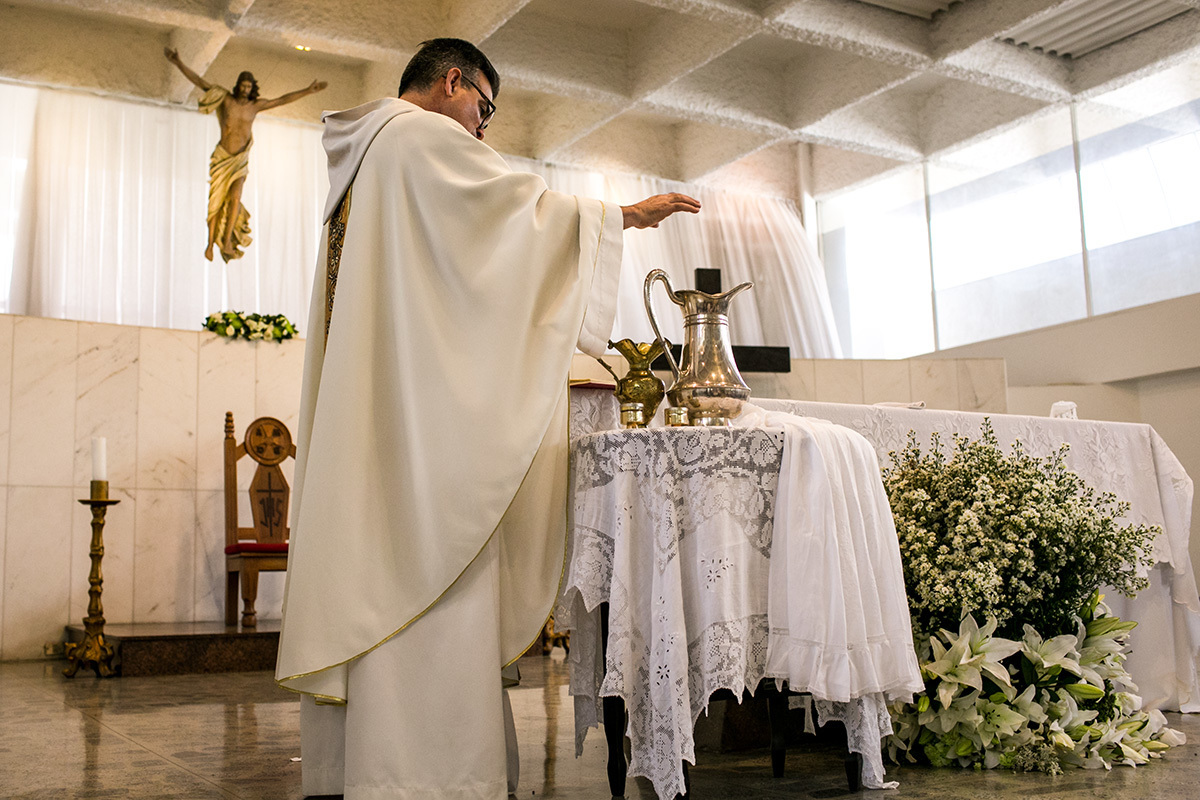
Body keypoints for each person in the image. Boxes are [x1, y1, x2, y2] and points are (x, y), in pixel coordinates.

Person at [273, 37, 699, 800]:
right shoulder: (416, 135)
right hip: (421, 436)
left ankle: (362, 766)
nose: (481, 129)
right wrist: (625, 217)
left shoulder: (362, 156)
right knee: (434, 556)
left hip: (377, 416)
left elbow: (447, 281)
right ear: (453, 81)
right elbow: (514, 216)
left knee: (375, 562)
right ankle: (430, 774)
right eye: (484, 108)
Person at [164, 48, 328, 262]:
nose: (245, 88)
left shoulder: (255, 106)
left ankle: (228, 241)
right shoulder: (226, 100)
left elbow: (281, 100)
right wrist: (178, 62)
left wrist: (308, 91)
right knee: (215, 202)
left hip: (240, 160)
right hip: (223, 158)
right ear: (237, 85)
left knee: (235, 198)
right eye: (242, 84)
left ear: (252, 88)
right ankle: (210, 242)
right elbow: (199, 81)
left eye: (249, 86)